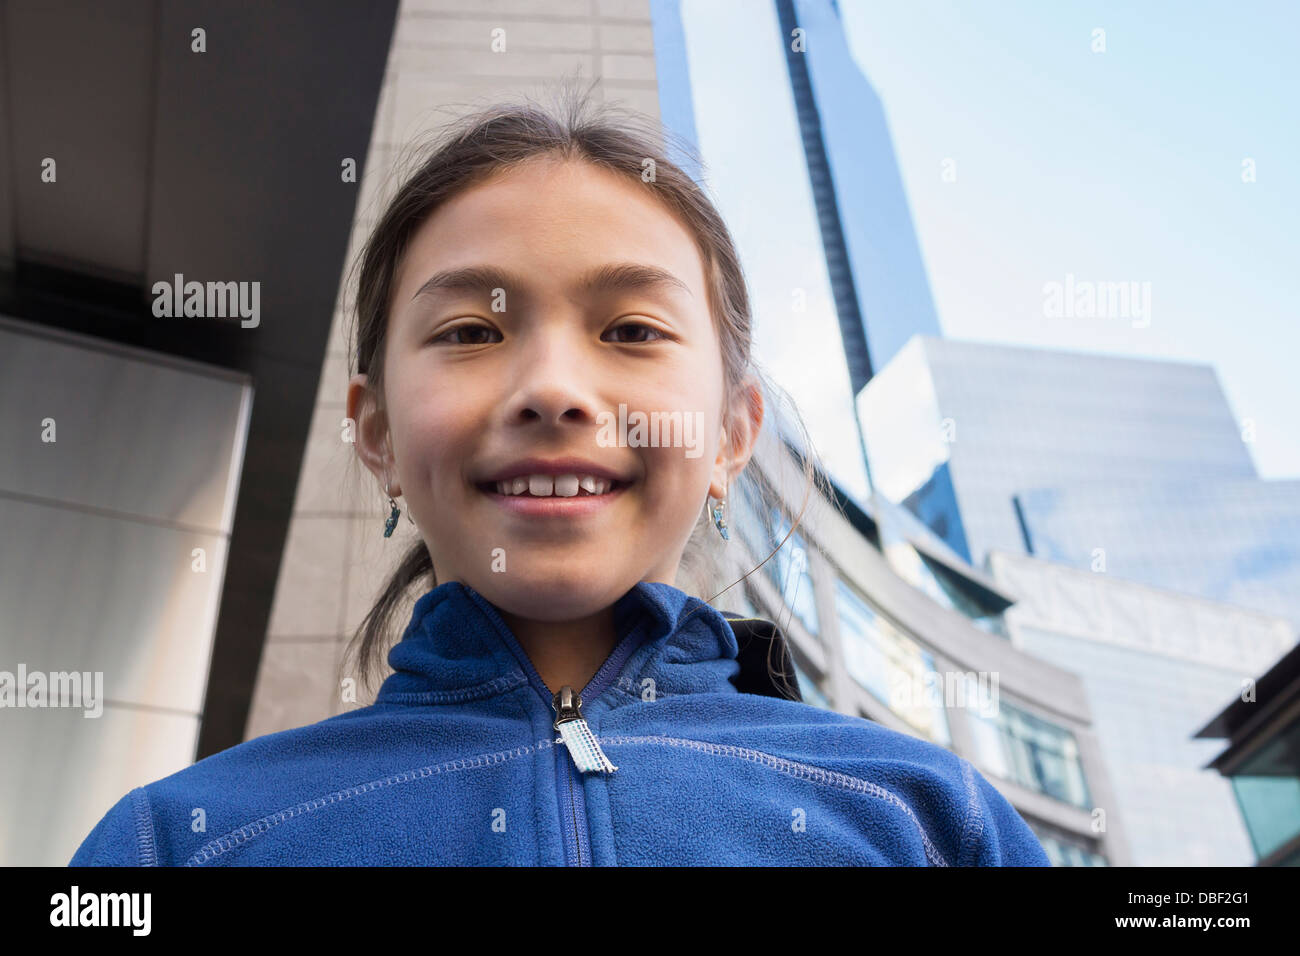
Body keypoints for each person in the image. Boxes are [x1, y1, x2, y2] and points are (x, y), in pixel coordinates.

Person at [70, 85, 1051, 866]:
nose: (551, 388)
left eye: (630, 330)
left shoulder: (930, 819)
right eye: (470, 331)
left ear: (730, 433)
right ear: (374, 433)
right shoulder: (177, 842)